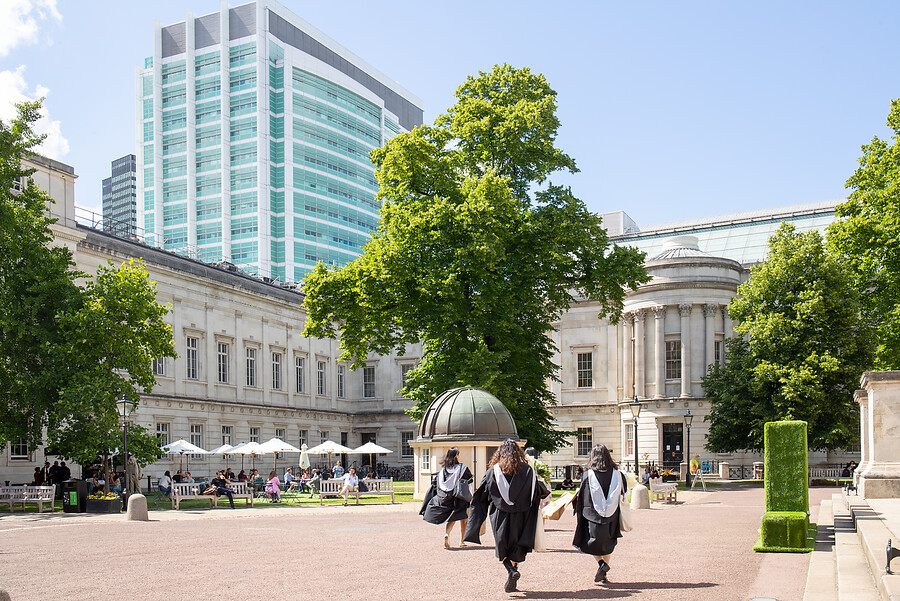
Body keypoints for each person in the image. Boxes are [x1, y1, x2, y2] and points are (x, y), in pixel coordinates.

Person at [465, 439, 551, 593]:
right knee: (517, 546)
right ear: (518, 453)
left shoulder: (493, 472)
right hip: (522, 515)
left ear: (500, 454)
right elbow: (538, 492)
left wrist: (475, 522)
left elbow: (481, 497)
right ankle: (514, 572)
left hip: (500, 516)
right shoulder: (528, 471)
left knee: (502, 546)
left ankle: (511, 571)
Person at [573, 444, 628, 584]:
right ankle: (603, 574)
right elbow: (624, 492)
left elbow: (583, 496)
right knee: (608, 543)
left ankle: (601, 565)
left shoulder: (588, 475)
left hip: (592, 516)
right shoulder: (618, 474)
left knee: (591, 542)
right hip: (612, 515)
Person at [420, 447, 473, 549]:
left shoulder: (443, 470)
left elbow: (435, 484)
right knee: (461, 518)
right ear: (457, 456)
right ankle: (462, 541)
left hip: (445, 497)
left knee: (451, 517)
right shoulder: (462, 468)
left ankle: (447, 534)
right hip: (458, 497)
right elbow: (469, 481)